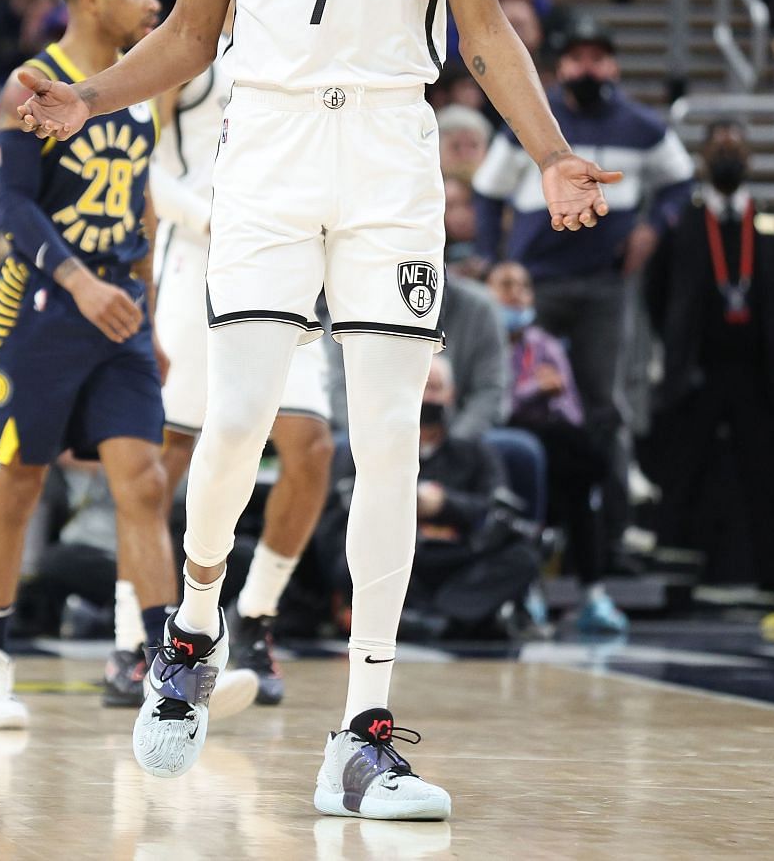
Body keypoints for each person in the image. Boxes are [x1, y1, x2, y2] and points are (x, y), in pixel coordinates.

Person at [15, 0, 618, 817]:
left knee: (389, 441)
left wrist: (548, 151)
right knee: (237, 422)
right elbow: (194, 31)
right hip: (272, 149)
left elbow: (482, 22)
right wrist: (89, 98)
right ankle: (192, 633)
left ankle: (364, 731)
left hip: (391, 151)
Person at [0, 0, 260, 738]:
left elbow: (143, 211)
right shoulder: (30, 81)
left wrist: (150, 311)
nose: (152, 4)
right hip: (43, 308)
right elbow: (15, 210)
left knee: (146, 483)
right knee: (20, 480)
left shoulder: (137, 90)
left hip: (120, 311)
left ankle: (162, 663)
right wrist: (80, 283)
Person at [471, 16, 694, 585]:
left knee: (605, 408)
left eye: (598, 58)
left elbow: (680, 181)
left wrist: (654, 227)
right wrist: (495, 260)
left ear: (613, 66)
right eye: (577, 59)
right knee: (516, 398)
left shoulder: (643, 127)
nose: (587, 69)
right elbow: (487, 190)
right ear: (560, 66)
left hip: (602, 282)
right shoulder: (531, 118)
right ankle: (512, 531)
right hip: (538, 280)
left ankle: (612, 538)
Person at [145, 47, 337, 709]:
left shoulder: (312, 49)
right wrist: (205, 215)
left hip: (284, 259)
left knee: (311, 446)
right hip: (197, 256)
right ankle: (145, 633)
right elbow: (136, 169)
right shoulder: (190, 49)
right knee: (171, 451)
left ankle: (253, 618)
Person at [644, 121, 774, 599]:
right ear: (704, 159)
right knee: (684, 474)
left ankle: (771, 582)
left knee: (764, 476)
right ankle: (674, 587)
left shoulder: (773, 220)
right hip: (696, 372)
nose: (728, 154)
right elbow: (656, 294)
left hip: (753, 371)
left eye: (736, 145)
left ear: (749, 159)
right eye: (719, 147)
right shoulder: (681, 221)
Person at [318, 357, 539, 641]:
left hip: (458, 558)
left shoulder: (476, 454)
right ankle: (448, 619)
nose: (427, 397)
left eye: (435, 388)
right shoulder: (369, 448)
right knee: (345, 548)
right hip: (396, 559)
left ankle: (438, 618)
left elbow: (496, 511)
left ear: (451, 395)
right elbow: (339, 515)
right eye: (420, 387)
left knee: (524, 557)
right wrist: (400, 505)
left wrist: (445, 504)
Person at [486, 259, 621, 632]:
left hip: (551, 440)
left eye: (524, 286)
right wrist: (534, 389)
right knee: (540, 463)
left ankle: (593, 594)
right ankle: (528, 586)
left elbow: (572, 410)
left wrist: (554, 395)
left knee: (581, 471)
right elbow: (495, 405)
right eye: (506, 284)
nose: (516, 294)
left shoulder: (544, 344)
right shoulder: (483, 341)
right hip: (503, 440)